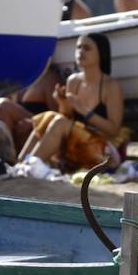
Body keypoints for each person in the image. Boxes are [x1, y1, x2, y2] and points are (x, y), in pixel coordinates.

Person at [18, 33, 126, 172]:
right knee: (48, 116)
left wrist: (84, 112)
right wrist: (63, 103)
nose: (81, 52)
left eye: (87, 48)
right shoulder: (73, 81)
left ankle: (28, 167)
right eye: (78, 47)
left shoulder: (111, 86)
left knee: (58, 121)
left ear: (101, 53)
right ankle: (21, 163)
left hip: (102, 151)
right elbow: (66, 119)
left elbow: (114, 130)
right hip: (74, 146)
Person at [0, 62, 61, 151]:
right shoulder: (17, 79)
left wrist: (32, 122)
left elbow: (58, 116)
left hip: (38, 130)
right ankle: (4, 157)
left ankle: (6, 157)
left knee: (3, 105)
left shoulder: (49, 78)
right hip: (17, 132)